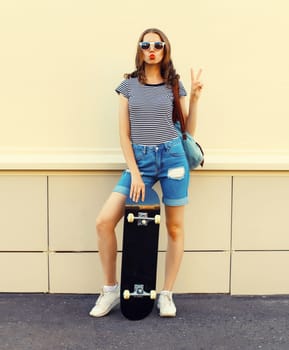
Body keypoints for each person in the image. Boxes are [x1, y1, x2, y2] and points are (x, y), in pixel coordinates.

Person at [89, 28, 203, 318]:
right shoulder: (127, 86)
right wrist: (136, 174)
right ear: (139, 49)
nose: (152, 49)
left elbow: (188, 131)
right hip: (139, 161)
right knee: (104, 221)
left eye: (158, 44)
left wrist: (197, 98)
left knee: (175, 228)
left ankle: (166, 294)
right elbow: (124, 135)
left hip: (173, 158)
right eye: (146, 44)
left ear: (165, 49)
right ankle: (111, 290)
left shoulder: (174, 85)